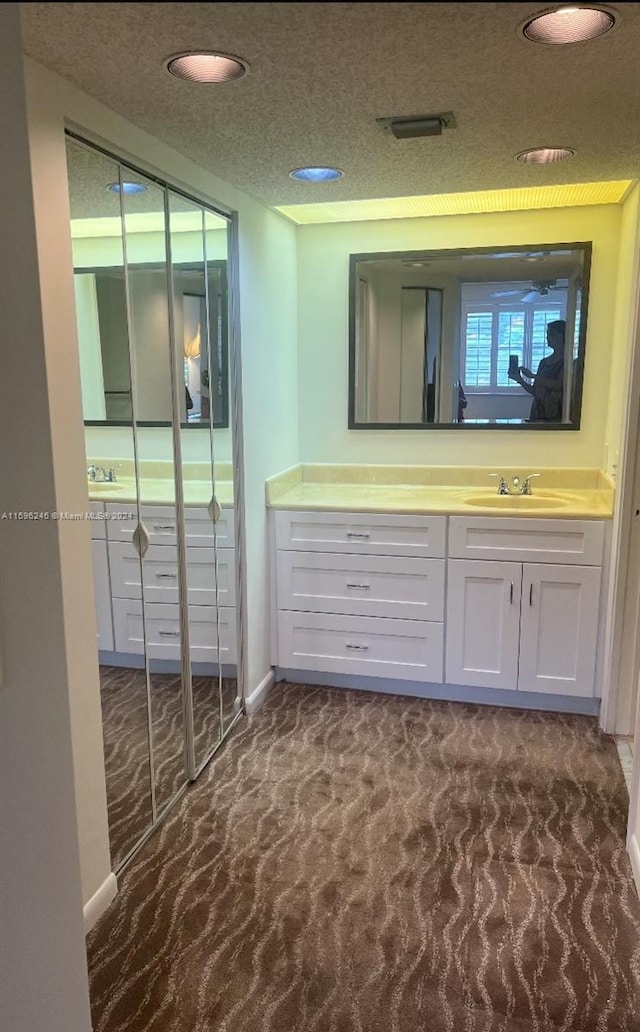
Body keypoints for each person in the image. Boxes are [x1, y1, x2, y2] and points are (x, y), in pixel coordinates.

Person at [508, 319, 566, 422]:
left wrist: (533, 376)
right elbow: (535, 391)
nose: (547, 337)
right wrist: (520, 380)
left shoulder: (567, 362)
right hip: (538, 412)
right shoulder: (544, 362)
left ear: (560, 336)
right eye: (547, 334)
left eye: (551, 334)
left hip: (554, 414)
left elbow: (559, 385)